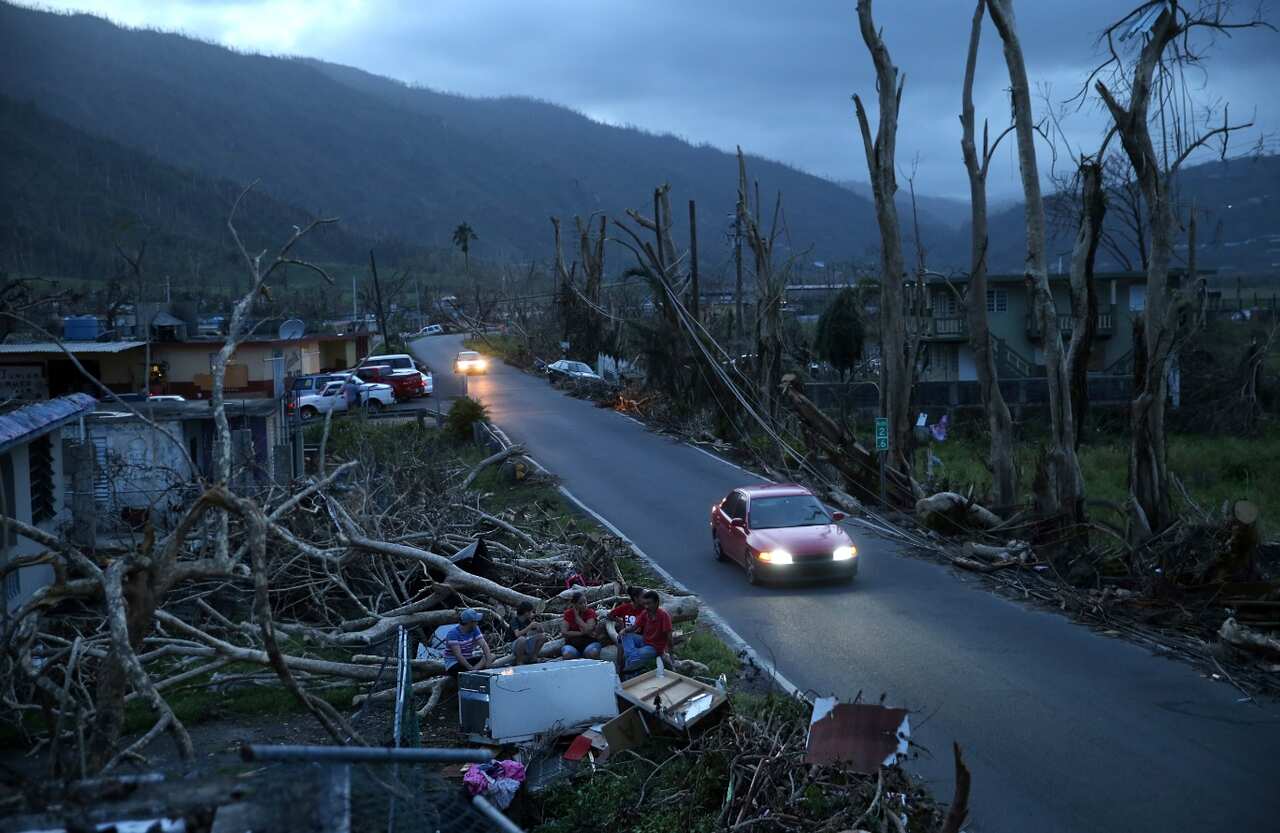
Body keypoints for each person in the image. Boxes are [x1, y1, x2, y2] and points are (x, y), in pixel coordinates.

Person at [619, 590, 673, 673]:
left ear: (656, 603)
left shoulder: (664, 616)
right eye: (645, 604)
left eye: (649, 603)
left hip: (655, 647)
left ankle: (626, 670)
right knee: (625, 635)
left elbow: (669, 637)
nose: (646, 606)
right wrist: (624, 630)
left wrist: (671, 654)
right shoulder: (645, 613)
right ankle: (633, 657)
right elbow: (634, 627)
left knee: (632, 657)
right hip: (644, 641)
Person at [444, 608, 492, 676]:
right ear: (470, 622)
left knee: (488, 657)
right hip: (454, 664)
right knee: (482, 661)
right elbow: (459, 656)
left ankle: (473, 672)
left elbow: (484, 645)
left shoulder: (475, 629)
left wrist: (488, 662)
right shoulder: (453, 634)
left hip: (468, 659)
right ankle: (472, 673)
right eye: (476, 621)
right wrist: (470, 668)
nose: (477, 622)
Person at [561, 591, 603, 659]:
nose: (584, 605)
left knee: (592, 652)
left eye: (585, 602)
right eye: (580, 603)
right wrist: (581, 633)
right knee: (567, 654)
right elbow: (564, 632)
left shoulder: (590, 612)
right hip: (572, 644)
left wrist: (577, 618)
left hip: (590, 642)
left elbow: (589, 629)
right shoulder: (568, 614)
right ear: (574, 605)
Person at [506, 601, 546, 665]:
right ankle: (519, 661)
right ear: (526, 612)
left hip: (525, 642)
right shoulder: (514, 620)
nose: (532, 613)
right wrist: (530, 626)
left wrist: (539, 626)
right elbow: (517, 634)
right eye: (531, 612)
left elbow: (541, 632)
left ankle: (534, 658)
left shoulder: (528, 620)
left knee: (542, 636)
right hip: (513, 645)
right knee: (522, 639)